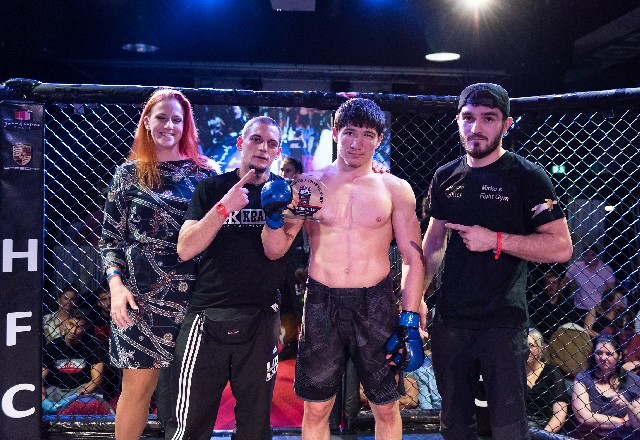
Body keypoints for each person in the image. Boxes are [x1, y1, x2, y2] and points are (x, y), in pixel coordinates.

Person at [262, 97, 425, 440]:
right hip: (322, 301)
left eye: (368, 135)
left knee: (385, 406)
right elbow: (275, 250)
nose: (357, 143)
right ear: (336, 133)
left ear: (379, 139)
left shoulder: (395, 189)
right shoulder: (308, 186)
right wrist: (273, 217)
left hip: (376, 302)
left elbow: (413, 258)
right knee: (316, 407)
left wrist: (410, 318)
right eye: (350, 132)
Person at [421, 83, 573, 439]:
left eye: (488, 118)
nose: (476, 128)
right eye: (468, 118)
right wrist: (416, 299)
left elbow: (561, 247)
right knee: (454, 424)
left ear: (506, 124)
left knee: (508, 428)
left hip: (502, 321)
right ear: (458, 121)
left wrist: (495, 240)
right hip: (451, 319)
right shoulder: (445, 176)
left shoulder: (528, 177)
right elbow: (433, 242)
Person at [100, 88, 218, 440]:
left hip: (195, 297)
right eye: (162, 117)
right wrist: (116, 287)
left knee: (192, 396)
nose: (169, 125)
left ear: (186, 125)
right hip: (138, 298)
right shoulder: (127, 174)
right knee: (137, 390)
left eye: (177, 119)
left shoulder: (206, 173)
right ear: (147, 122)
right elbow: (109, 241)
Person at [165, 116, 288, 440]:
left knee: (255, 428)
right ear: (240, 143)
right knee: (189, 425)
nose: (263, 148)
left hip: (261, 317)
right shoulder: (213, 188)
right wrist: (224, 207)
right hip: (208, 314)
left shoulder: (283, 192)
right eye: (256, 139)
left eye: (271, 143)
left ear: (278, 151)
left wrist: (274, 214)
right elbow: (185, 248)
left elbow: (276, 252)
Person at [571, 335, 640, 439]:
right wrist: (621, 421)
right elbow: (583, 417)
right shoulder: (583, 378)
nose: (603, 358)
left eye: (609, 354)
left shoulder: (634, 380)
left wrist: (628, 406)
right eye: (599, 353)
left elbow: (636, 422)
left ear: (619, 356)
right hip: (588, 435)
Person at [42, 308, 106, 406]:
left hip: (81, 390)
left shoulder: (94, 346)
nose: (73, 331)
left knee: (95, 394)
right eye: (71, 324)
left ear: (86, 327)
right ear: (65, 323)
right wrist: (43, 398)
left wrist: (76, 396)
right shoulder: (53, 346)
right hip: (55, 391)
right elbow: (40, 378)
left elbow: (97, 380)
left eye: (79, 327)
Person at [277, 157, 308, 361]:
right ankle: (289, 343)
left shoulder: (305, 197)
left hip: (298, 258)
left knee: (301, 304)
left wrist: (306, 259)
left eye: (288, 170)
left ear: (297, 173)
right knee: (284, 303)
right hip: (281, 258)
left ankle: (307, 344)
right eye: (282, 169)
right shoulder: (275, 195)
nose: (283, 174)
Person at [526, 328, 569, 433]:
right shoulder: (512, 373)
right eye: (523, 345)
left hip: (545, 428)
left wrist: (543, 435)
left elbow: (560, 413)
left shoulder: (552, 372)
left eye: (531, 345)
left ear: (541, 349)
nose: (526, 349)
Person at [559, 245, 616, 324]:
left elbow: (611, 290)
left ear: (597, 255)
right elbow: (564, 282)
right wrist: (556, 294)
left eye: (592, 255)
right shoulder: (576, 267)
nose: (589, 258)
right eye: (586, 255)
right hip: (579, 308)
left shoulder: (606, 269)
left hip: (598, 309)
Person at [529, 271, 575, 341]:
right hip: (540, 337)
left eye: (554, 283)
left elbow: (569, 324)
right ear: (544, 285)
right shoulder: (536, 302)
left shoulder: (567, 302)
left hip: (561, 338)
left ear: (559, 285)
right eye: (548, 283)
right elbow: (533, 324)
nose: (551, 285)